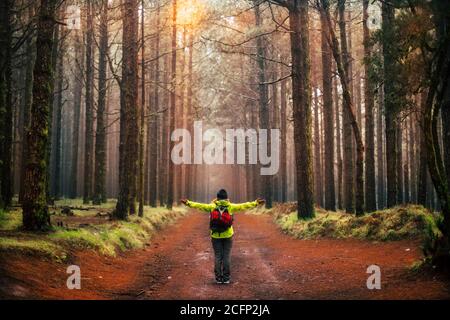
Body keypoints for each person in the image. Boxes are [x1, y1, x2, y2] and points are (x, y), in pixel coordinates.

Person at [181, 189, 265, 284]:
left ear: (217, 197)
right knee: (226, 256)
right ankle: (226, 278)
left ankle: (218, 278)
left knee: (218, 256)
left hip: (215, 236)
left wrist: (188, 203)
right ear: (226, 198)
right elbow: (244, 206)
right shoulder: (230, 207)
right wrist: (255, 203)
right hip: (228, 235)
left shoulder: (212, 206)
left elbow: (199, 206)